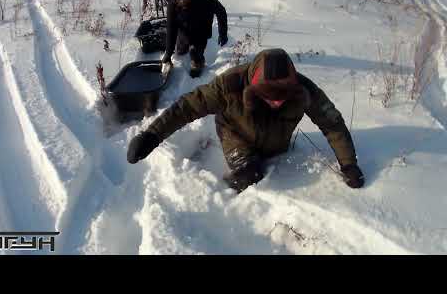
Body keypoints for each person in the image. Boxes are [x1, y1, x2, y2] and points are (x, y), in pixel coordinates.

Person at [129, 49, 365, 193]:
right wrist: (151, 135)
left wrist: (349, 164)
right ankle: (223, 194)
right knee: (249, 175)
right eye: (269, 98)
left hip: (277, 144)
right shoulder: (228, 85)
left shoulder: (304, 90)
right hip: (236, 135)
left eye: (281, 98)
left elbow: (332, 123)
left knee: (270, 157)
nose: (276, 103)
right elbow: (188, 106)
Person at [161, 0, 228, 78]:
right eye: (179, 0)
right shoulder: (172, 5)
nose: (182, 2)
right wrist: (168, 53)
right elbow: (171, 29)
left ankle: (198, 61)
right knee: (180, 51)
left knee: (196, 55)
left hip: (201, 30)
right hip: (184, 30)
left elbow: (221, 11)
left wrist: (223, 33)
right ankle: (185, 49)